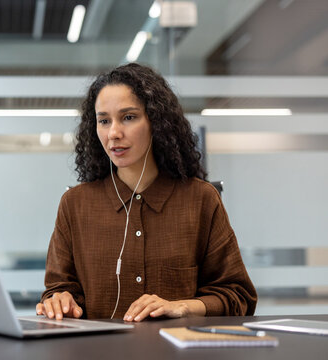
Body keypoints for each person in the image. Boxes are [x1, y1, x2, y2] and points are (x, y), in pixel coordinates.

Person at [35, 63, 257, 322]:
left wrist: (184, 306)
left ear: (156, 121)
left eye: (129, 117)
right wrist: (60, 299)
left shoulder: (201, 200)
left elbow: (239, 296)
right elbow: (58, 290)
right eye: (104, 121)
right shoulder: (75, 204)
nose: (114, 133)